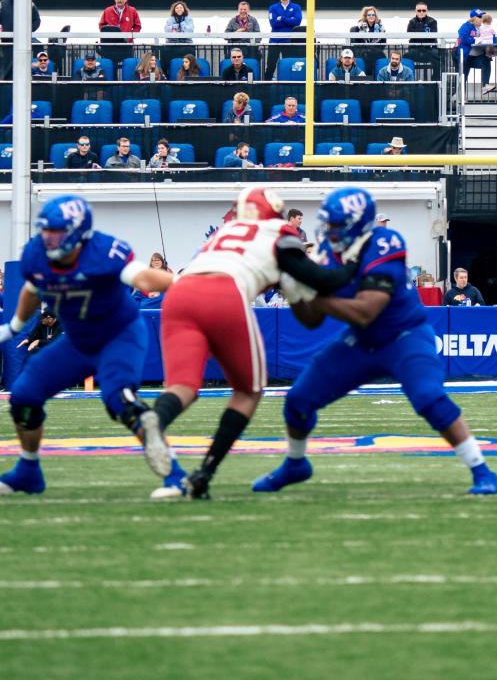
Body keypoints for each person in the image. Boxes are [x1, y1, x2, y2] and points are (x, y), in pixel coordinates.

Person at [250, 186, 497, 496]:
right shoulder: (329, 252)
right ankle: (295, 463)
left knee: (428, 398)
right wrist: (295, 293)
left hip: (404, 336)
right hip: (361, 340)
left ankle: (481, 469)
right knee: (298, 400)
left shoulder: (385, 243)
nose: (329, 231)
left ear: (358, 224)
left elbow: (367, 310)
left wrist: (313, 291)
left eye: (336, 225)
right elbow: (311, 321)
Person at [149, 187, 370, 501]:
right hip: (224, 293)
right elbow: (323, 282)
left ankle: (155, 419)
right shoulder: (279, 232)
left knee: (182, 386)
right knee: (248, 390)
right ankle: (205, 472)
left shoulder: (223, 233)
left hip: (180, 295)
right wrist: (353, 263)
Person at [0, 194, 173, 494]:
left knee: (120, 400)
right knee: (24, 398)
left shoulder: (104, 251)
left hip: (118, 335)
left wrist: (187, 284)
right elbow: (31, 289)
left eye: (56, 232)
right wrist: (13, 327)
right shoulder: (36, 254)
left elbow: (144, 279)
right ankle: (28, 471)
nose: (48, 239)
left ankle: (176, 476)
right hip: (78, 342)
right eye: (46, 231)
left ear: (78, 232)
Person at [0, 0, 41, 78]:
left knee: (23, 72)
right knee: (6, 72)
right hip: (6, 44)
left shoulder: (29, 4)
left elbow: (37, 20)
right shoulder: (2, 4)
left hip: (23, 44)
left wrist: (27, 31)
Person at [266, 0, 303, 79]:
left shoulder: (296, 7)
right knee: (270, 66)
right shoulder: (273, 8)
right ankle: (266, 86)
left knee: (289, 65)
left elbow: (297, 22)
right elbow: (273, 23)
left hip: (289, 42)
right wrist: (289, 19)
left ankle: (288, 85)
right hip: (275, 42)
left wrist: (281, 18)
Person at [457, 9, 489, 90]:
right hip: (465, 57)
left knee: (486, 60)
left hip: (476, 57)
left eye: (482, 16)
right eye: (479, 17)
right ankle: (460, 97)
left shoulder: (481, 28)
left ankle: (485, 85)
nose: (482, 18)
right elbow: (463, 38)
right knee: (463, 76)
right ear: (473, 18)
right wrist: (475, 40)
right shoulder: (465, 26)